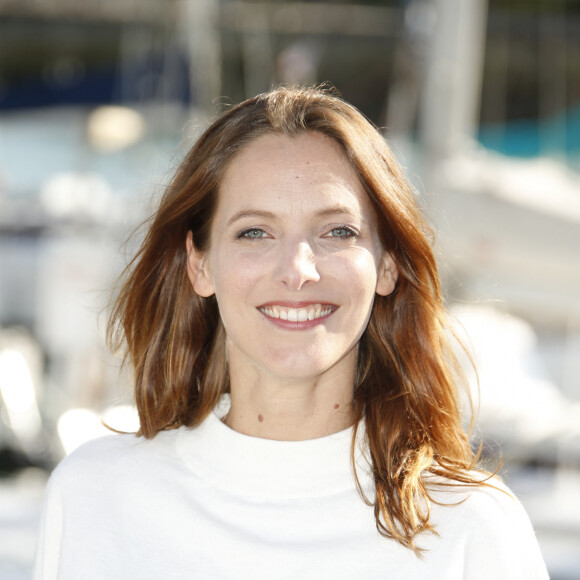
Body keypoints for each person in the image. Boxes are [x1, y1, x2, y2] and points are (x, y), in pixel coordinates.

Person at [34, 86, 549, 579]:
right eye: (255, 232)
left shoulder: (471, 527)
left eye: (337, 232)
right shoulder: (94, 499)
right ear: (199, 264)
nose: (298, 269)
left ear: (388, 264)